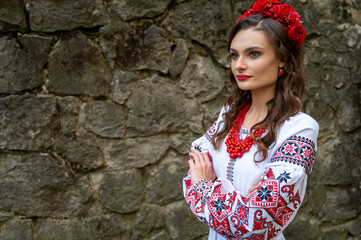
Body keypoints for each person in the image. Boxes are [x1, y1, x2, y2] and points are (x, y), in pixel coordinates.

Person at [183, 0, 319, 239]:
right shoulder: (230, 113)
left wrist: (205, 186)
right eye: (234, 55)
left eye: (253, 54)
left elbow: (253, 223)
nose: (239, 65)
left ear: (282, 59)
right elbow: (193, 166)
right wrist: (242, 198)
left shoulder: (300, 129)